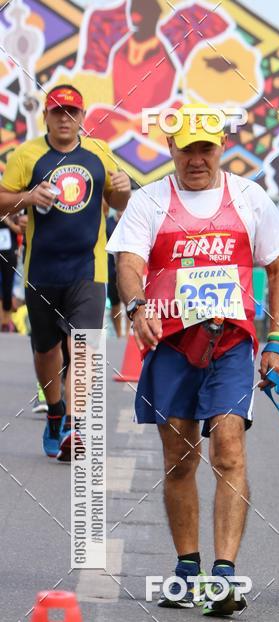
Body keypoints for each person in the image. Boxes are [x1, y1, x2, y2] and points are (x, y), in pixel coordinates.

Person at [107, 105, 279, 616]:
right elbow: (129, 264)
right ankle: (188, 569)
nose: (196, 159)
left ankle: (225, 575)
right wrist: (138, 305)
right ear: (171, 148)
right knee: (180, 460)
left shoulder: (249, 198)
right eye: (187, 148)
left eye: (206, 148)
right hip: (172, 348)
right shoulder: (149, 201)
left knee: (229, 451)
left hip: (229, 346)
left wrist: (276, 342)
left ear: (221, 147)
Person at [0, 83, 131, 460]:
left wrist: (122, 188)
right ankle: (55, 413)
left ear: (82, 117)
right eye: (58, 111)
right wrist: (27, 197)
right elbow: (2, 201)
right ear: (46, 116)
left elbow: (118, 201)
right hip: (41, 270)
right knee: (46, 351)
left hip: (89, 269)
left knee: (84, 345)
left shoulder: (99, 153)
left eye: (72, 112)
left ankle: (75, 427)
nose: (65, 119)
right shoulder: (26, 155)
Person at [104, 205, 123, 336]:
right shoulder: (108, 223)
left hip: (127, 268)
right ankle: (119, 334)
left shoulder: (130, 221)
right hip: (111, 270)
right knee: (115, 304)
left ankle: (127, 334)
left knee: (131, 303)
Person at [0, 213, 20, 332]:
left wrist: (7, 221)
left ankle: (6, 322)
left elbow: (20, 230)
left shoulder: (13, 210)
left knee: (8, 287)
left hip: (9, 253)